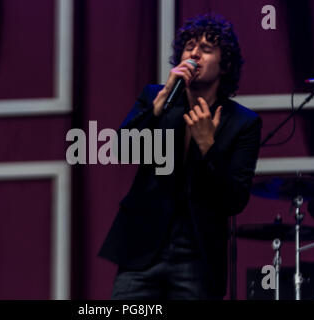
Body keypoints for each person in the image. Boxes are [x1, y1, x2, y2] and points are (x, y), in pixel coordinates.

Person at [98, 14, 262, 300]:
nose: (194, 54)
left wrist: (208, 147)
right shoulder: (155, 97)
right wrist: (158, 107)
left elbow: (235, 199)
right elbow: (121, 150)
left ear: (225, 65)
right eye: (188, 47)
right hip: (143, 248)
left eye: (206, 49)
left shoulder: (243, 122)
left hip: (196, 254)